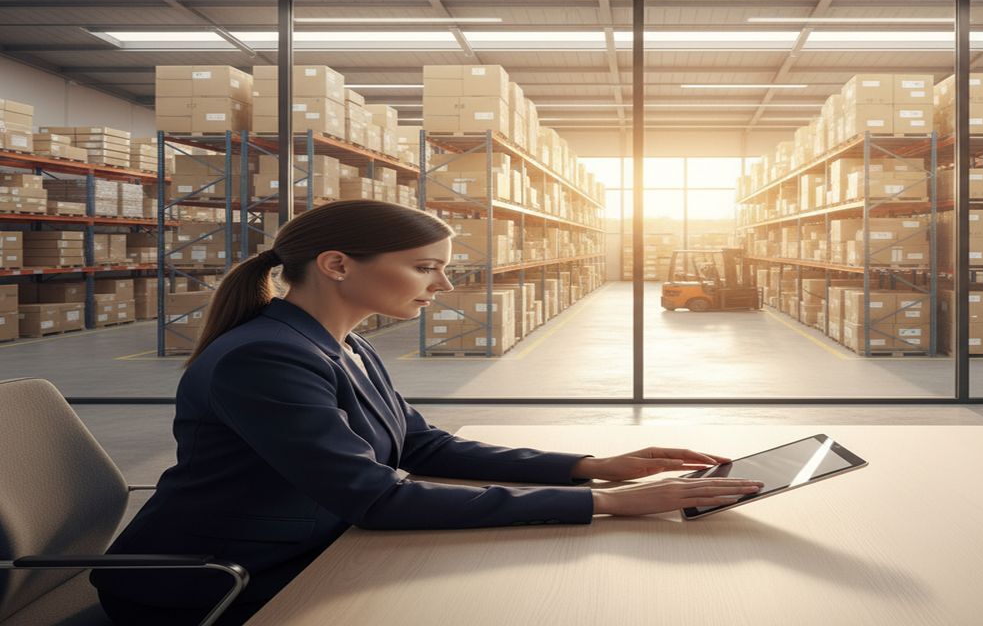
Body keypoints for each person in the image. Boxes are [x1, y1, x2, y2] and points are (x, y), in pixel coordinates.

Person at [91, 200, 762, 625]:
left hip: (317, 546)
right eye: (424, 268)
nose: (443, 285)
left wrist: (593, 467)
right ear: (337, 265)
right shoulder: (264, 357)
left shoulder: (342, 344)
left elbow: (422, 447)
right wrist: (608, 506)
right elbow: (375, 498)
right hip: (216, 580)